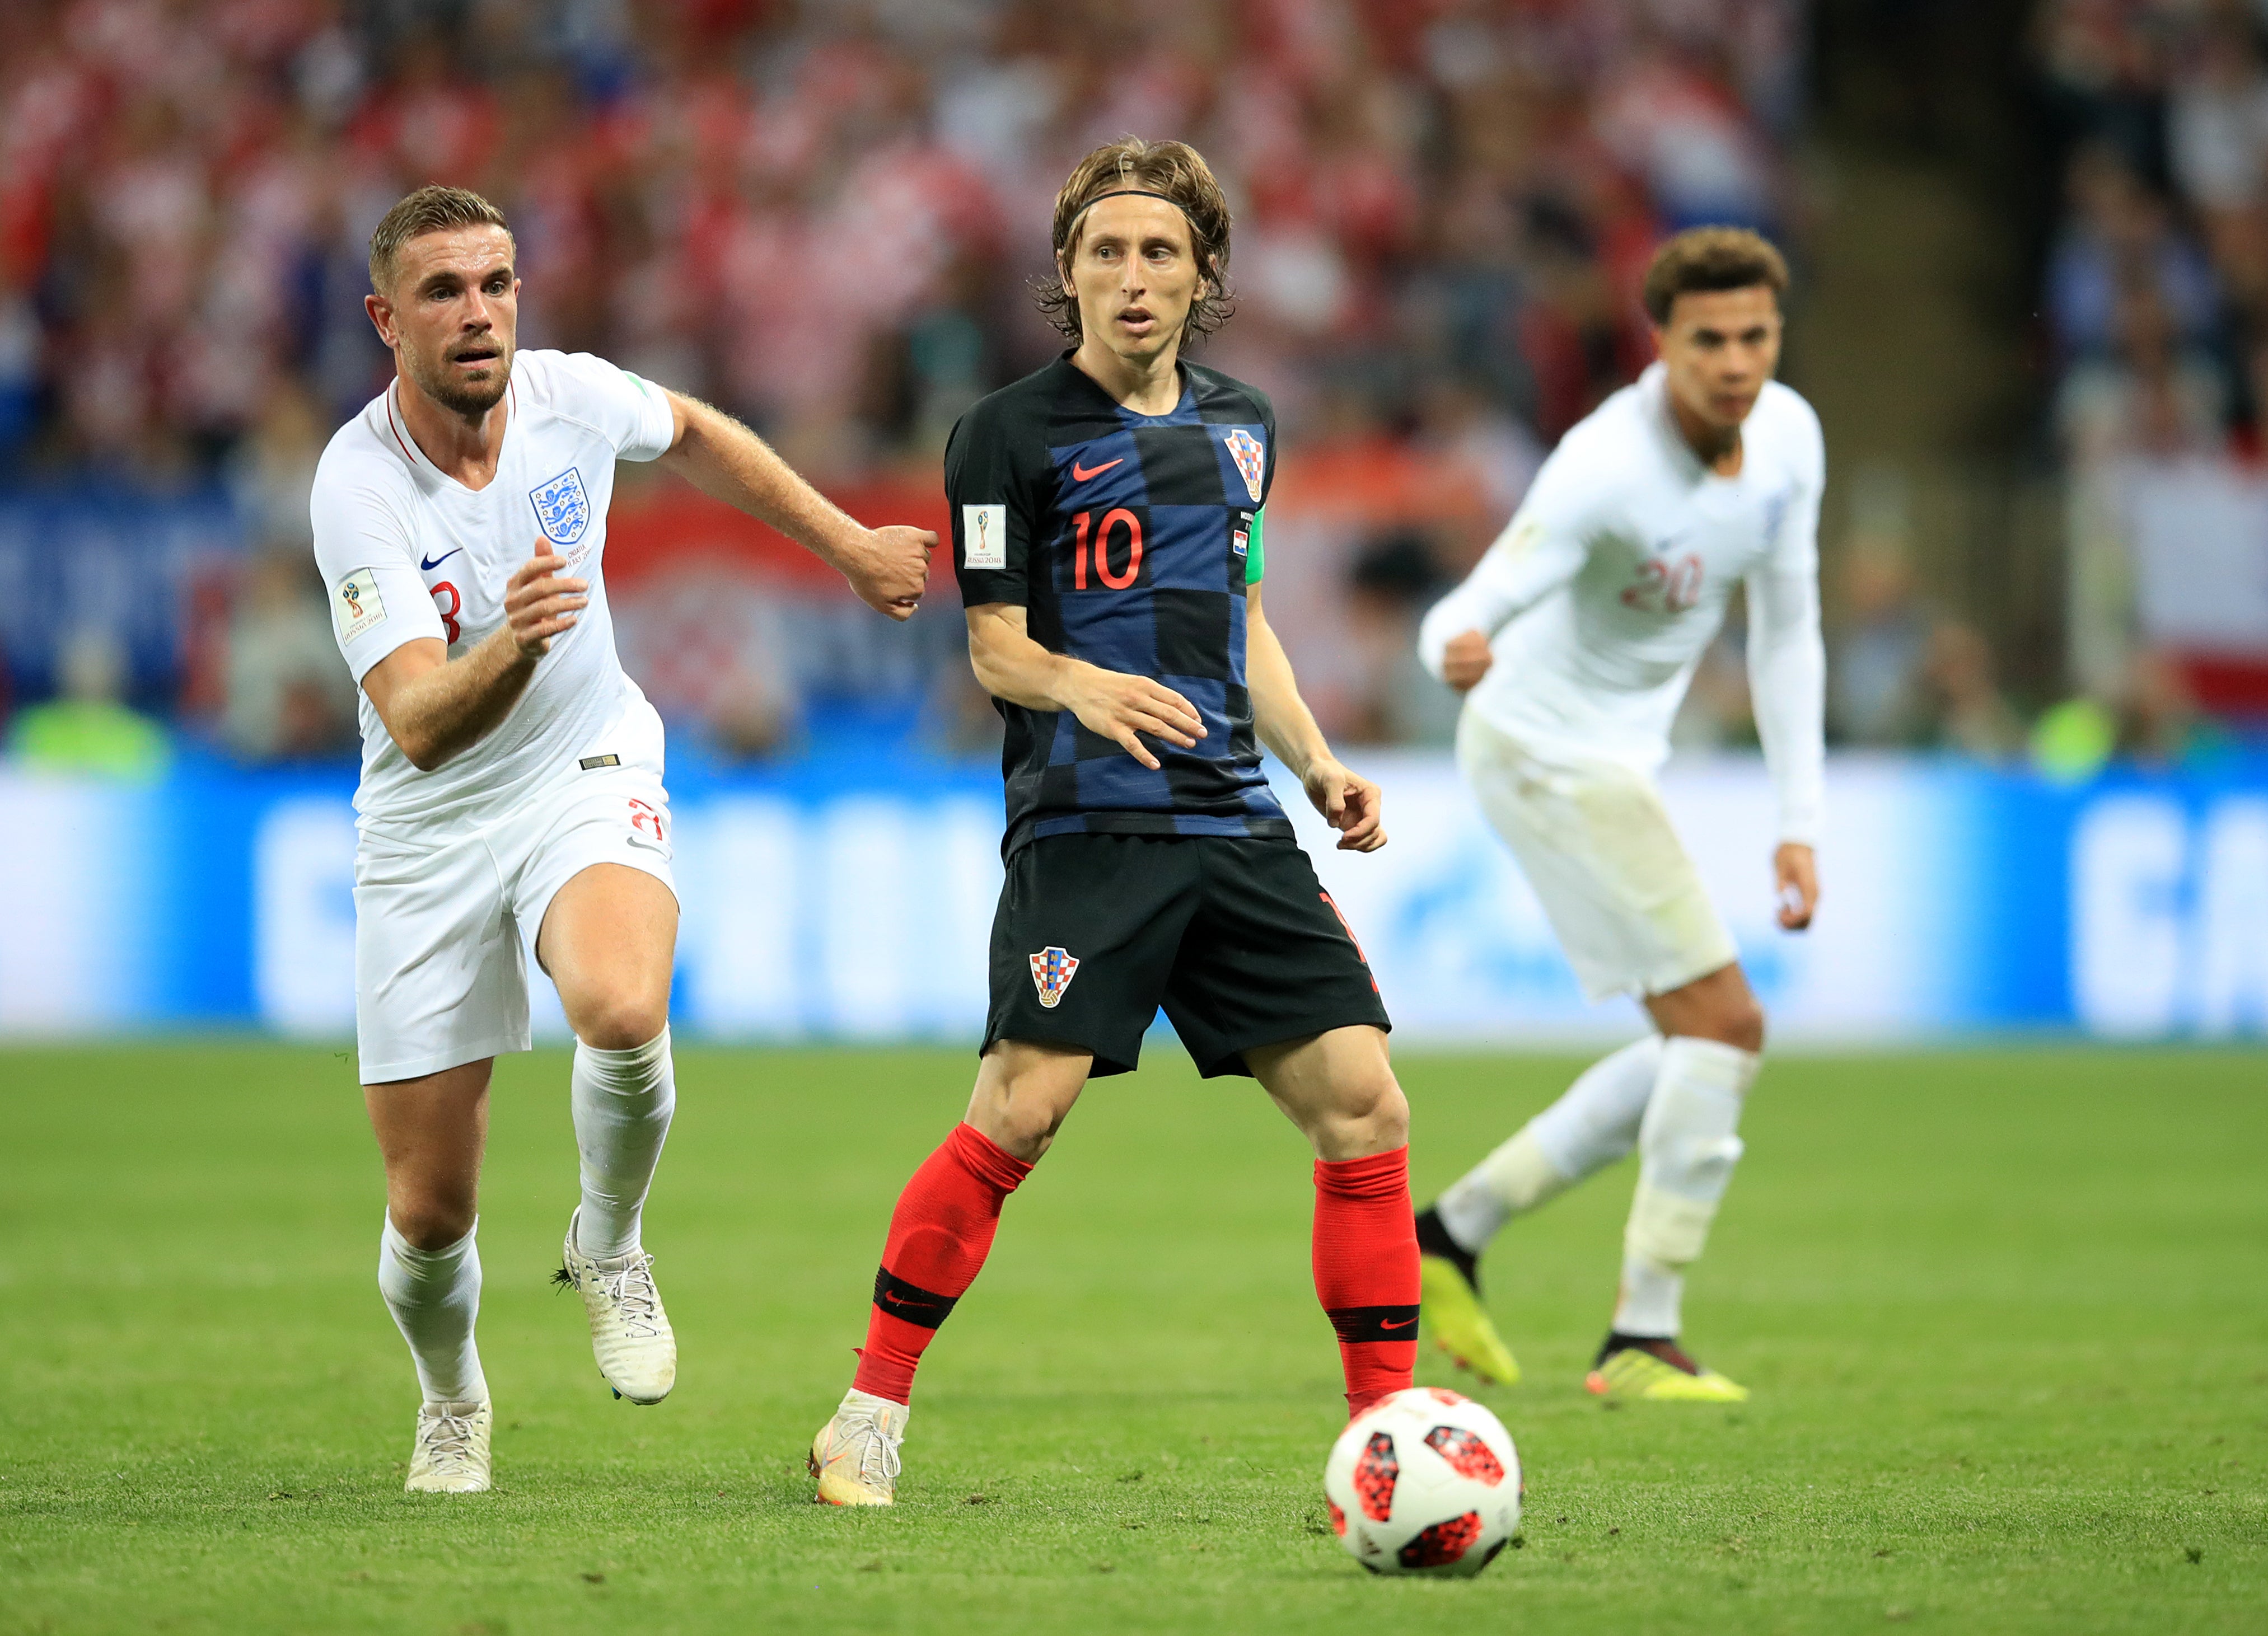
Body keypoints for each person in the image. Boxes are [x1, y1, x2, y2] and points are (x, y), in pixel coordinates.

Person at [807, 138, 1412, 1507]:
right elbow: (997, 653)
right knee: (1023, 1109)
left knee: (1365, 1106)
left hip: (1233, 821)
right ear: (1065, 273)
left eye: (1159, 254)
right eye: (1105, 252)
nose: (1131, 279)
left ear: (1203, 279)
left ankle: (1387, 1441)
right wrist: (1091, 685)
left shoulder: (1245, 424)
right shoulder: (1005, 435)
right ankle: (868, 1412)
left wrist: (1315, 762)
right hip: (1086, 823)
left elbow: (1242, 619)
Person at [314, 184, 933, 1493]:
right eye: (442, 291)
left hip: (584, 759)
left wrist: (844, 544)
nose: (477, 312)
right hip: (428, 829)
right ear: (388, 320)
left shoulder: (571, 395)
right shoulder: (356, 484)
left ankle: (608, 1242)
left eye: (495, 282)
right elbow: (419, 722)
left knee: (620, 1000)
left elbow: (697, 434)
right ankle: (452, 1398)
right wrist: (516, 639)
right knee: (430, 1216)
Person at [1410, 227, 1826, 1404]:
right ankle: (1640, 1339)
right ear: (1664, 344)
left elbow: (1786, 629)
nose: (1735, 363)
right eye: (1709, 341)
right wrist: (1454, 648)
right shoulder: (1604, 467)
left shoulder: (1790, 439)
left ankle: (1451, 1230)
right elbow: (1466, 606)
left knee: (1693, 1040)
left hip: (1613, 761)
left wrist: (1799, 817)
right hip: (1539, 751)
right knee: (1726, 1025)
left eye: (1754, 337)